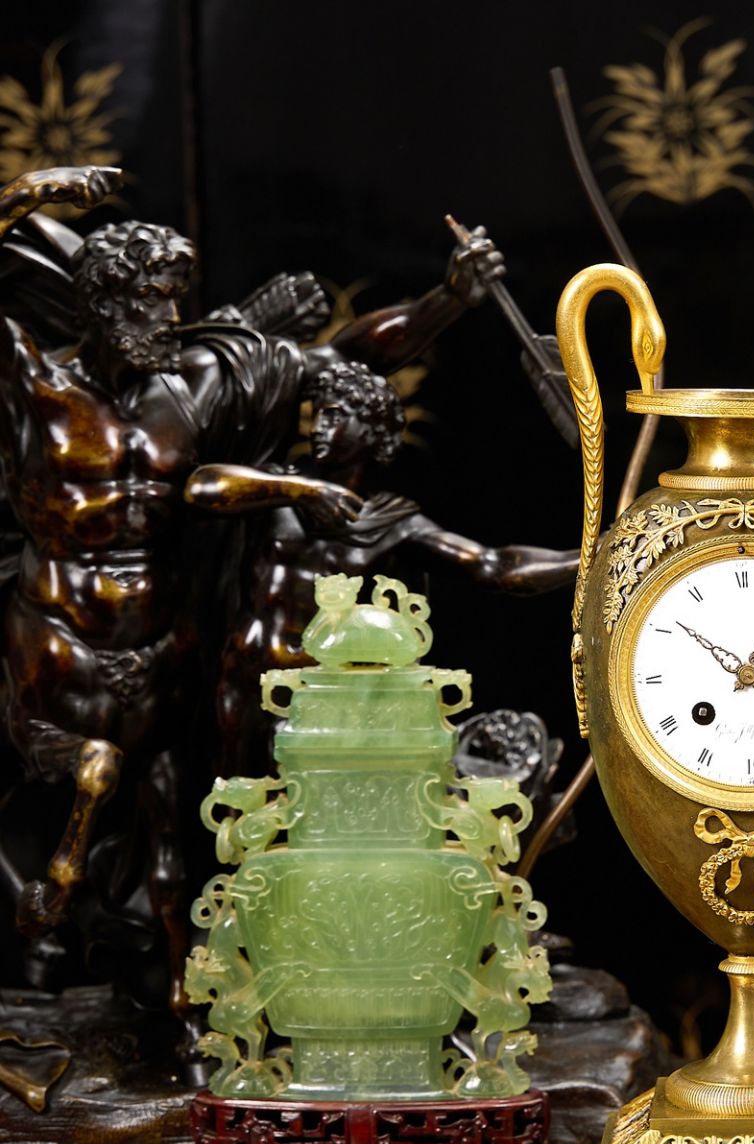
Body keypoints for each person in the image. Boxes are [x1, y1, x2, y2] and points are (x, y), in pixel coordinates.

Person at [0, 164, 504, 1007]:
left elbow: (336, 363)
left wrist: (447, 302)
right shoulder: (37, 386)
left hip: (166, 644)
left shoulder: (193, 386)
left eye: (172, 301)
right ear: (101, 303)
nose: (166, 320)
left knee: (172, 832)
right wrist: (33, 192)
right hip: (56, 631)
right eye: (149, 303)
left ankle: (184, 1003)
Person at [187, 358, 576, 774]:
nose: (319, 426)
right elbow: (202, 487)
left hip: (319, 697)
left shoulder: (392, 522)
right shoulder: (275, 489)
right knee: (234, 806)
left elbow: (493, 565)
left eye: (336, 416)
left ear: (371, 432)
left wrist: (588, 556)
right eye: (318, 415)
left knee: (302, 817)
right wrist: (304, 490)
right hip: (246, 678)